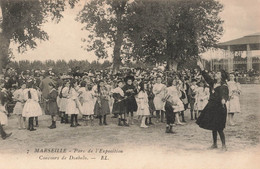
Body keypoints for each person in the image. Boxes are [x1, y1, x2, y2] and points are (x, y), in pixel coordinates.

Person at [196, 60, 229, 151]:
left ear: (222, 76)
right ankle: (214, 144)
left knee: (219, 127)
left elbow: (225, 94)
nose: (216, 74)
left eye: (218, 73)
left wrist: (223, 100)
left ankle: (224, 146)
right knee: (213, 126)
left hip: (219, 107)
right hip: (211, 106)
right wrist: (202, 68)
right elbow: (206, 77)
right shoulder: (213, 83)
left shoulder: (224, 85)